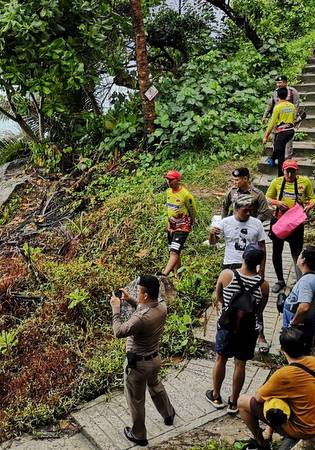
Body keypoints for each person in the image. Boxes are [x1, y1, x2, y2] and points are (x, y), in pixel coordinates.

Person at [111, 275, 176, 447]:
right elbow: (143, 308)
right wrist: (131, 299)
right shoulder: (162, 306)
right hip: (154, 359)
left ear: (146, 295)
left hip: (138, 365)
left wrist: (116, 309)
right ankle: (168, 414)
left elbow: (119, 331)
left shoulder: (140, 319)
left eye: (138, 291)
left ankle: (139, 435)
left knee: (136, 400)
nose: (137, 293)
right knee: (155, 386)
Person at [237, 327, 315, 450]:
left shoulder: (284, 375)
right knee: (278, 396)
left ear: (283, 349)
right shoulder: (313, 362)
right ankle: (268, 433)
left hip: (302, 429)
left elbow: (258, 397)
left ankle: (261, 443)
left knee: (242, 402)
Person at [206, 244, 269, 414]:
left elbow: (219, 297)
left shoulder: (227, 275)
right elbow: (259, 310)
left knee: (221, 359)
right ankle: (234, 402)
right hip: (248, 330)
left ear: (243, 257)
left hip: (227, 325)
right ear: (259, 262)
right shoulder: (263, 285)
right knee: (240, 364)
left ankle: (216, 396)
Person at [210, 196, 271, 353]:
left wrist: (262, 270)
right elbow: (213, 243)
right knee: (230, 302)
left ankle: (260, 334)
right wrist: (212, 234)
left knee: (252, 303)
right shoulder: (225, 223)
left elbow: (262, 247)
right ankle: (226, 327)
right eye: (245, 210)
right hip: (231, 265)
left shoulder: (256, 223)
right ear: (236, 209)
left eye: (251, 209)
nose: (249, 212)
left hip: (251, 266)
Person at [265, 160, 315, 294]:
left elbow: (312, 198)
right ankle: (280, 280)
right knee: (277, 251)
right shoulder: (277, 182)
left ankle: (300, 281)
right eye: (287, 170)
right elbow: (267, 198)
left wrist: (309, 206)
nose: (289, 173)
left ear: (296, 170)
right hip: (279, 222)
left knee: (297, 253)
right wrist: (277, 202)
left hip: (295, 224)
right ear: (283, 170)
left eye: (292, 170)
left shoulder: (305, 182)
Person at [282, 246, 315, 345]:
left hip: (299, 323)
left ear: (303, 260)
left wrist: (294, 322)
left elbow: (304, 307)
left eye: (300, 255)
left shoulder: (306, 282)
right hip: (311, 318)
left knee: (293, 348)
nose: (298, 257)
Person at [162, 170, 197, 277]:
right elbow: (169, 209)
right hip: (172, 225)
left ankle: (163, 274)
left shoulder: (186, 195)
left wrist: (191, 222)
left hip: (183, 226)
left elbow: (193, 210)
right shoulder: (168, 192)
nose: (169, 182)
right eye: (167, 180)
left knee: (174, 251)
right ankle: (178, 275)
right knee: (174, 250)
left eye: (171, 180)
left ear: (178, 180)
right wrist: (169, 224)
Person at [262, 76, 302, 160]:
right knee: (275, 140)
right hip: (276, 120)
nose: (278, 84)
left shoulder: (292, 92)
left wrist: (293, 119)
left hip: (287, 122)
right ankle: (277, 157)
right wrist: (265, 115)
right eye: (277, 83)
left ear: (285, 82)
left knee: (288, 142)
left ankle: (287, 159)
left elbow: (296, 105)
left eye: (280, 83)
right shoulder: (275, 92)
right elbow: (270, 104)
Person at [263, 87, 297, 177]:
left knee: (281, 157)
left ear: (277, 96)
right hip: (290, 132)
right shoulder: (292, 106)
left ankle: (281, 177)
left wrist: (266, 136)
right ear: (287, 95)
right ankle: (273, 158)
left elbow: (272, 123)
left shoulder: (278, 107)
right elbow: (294, 118)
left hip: (282, 133)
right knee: (278, 148)